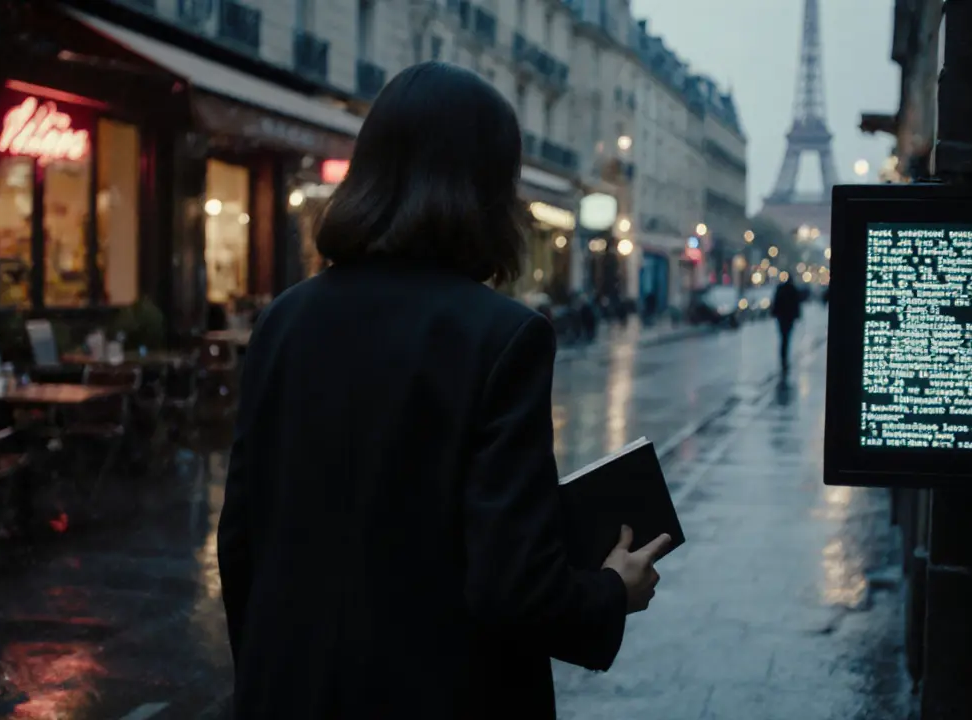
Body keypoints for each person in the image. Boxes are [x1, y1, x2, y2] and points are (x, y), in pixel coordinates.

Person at [217, 62, 671, 720]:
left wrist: (267, 671)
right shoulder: (503, 336)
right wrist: (609, 590)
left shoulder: (283, 319)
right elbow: (510, 584)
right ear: (488, 191)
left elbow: (241, 540)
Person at [772, 276, 802, 370]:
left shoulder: (781, 289)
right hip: (789, 317)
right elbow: (796, 304)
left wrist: (775, 313)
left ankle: (783, 358)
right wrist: (797, 315)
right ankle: (784, 359)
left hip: (782, 317)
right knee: (786, 337)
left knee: (783, 337)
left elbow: (776, 302)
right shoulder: (793, 290)